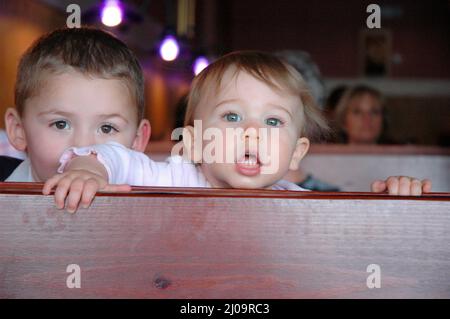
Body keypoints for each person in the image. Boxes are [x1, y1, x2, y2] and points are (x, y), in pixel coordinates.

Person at [42, 51, 432, 212]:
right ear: (193, 140)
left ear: (296, 154)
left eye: (273, 121)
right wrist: (88, 172)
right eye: (231, 117)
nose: (252, 132)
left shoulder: (299, 204)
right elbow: (110, 156)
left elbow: (349, 224)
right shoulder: (167, 177)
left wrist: (394, 200)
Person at [2, 27, 150, 194]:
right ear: (18, 130)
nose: (83, 148)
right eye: (61, 124)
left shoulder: (151, 212)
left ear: (137, 141)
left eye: (107, 128)